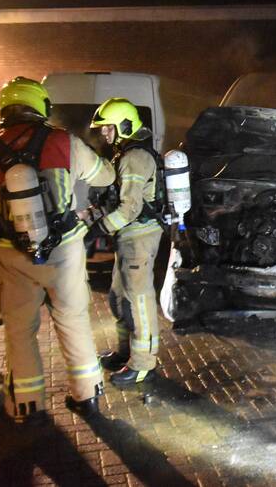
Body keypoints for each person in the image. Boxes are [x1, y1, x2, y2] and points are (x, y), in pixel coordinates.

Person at [0, 77, 115, 422]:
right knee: (73, 321)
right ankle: (87, 396)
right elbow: (105, 177)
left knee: (20, 331)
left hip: (12, 256)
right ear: (41, 106)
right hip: (65, 253)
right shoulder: (64, 141)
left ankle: (26, 406)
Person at [84, 97, 163, 387]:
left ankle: (143, 364)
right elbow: (115, 201)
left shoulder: (135, 158)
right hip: (127, 236)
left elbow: (130, 209)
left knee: (139, 300)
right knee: (119, 297)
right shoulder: (124, 154)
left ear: (125, 125)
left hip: (139, 237)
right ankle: (125, 352)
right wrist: (90, 217)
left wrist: (97, 229)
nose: (104, 133)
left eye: (108, 128)